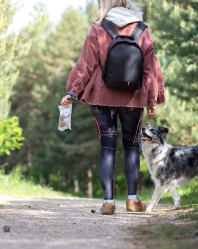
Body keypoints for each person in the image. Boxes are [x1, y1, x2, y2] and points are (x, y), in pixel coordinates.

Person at [61, 0, 165, 215]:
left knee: (107, 148)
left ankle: (108, 202)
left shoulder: (98, 29)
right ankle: (132, 200)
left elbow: (86, 65)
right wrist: (152, 101)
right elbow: (150, 69)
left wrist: (73, 91)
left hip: (101, 96)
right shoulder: (142, 30)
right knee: (131, 147)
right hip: (133, 98)